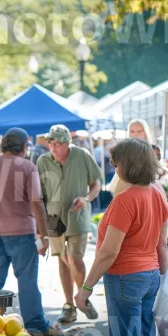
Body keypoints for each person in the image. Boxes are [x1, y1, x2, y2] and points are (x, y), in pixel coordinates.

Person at [75, 138, 168, 336]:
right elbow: (162, 243)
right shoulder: (157, 194)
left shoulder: (125, 200)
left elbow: (109, 252)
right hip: (150, 275)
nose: (114, 169)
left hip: (126, 277)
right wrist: (162, 276)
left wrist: (85, 288)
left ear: (128, 165)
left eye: (116, 164)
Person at [0, 128, 59, 336]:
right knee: (27, 282)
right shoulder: (27, 167)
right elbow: (36, 202)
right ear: (25, 147)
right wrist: (43, 235)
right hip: (22, 233)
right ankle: (35, 325)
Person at [37, 125, 102, 323]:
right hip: (54, 218)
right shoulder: (42, 161)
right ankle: (69, 305)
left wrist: (87, 198)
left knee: (74, 258)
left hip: (78, 215)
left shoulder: (82, 155)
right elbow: (38, 196)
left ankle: (83, 297)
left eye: (59, 144)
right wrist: (39, 230)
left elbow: (96, 183)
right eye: (51, 143)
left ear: (68, 144)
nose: (54, 148)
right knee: (62, 260)